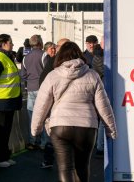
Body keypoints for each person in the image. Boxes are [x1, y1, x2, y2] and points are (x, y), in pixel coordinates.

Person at [31, 41, 117, 182]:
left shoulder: (53, 75)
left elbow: (41, 105)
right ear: (80, 55)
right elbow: (104, 105)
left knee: (65, 168)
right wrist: (111, 129)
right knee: (82, 166)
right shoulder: (92, 75)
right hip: (87, 126)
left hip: (60, 125)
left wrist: (36, 129)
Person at [0, 34, 22, 168]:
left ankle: (4, 155)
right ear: (4, 44)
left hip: (9, 99)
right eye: (11, 43)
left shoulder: (6, 57)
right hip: (1, 99)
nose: (12, 45)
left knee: (6, 130)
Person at [38, 38, 69, 169]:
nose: (56, 48)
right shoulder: (79, 62)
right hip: (60, 105)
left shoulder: (54, 61)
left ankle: (50, 160)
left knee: (54, 134)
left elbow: (42, 82)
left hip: (59, 105)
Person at [20, 35, 46, 150]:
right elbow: (48, 71)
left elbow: (23, 75)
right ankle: (44, 143)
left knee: (32, 116)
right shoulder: (44, 55)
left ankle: (33, 140)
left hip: (31, 89)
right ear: (40, 43)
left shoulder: (25, 58)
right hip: (43, 89)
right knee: (45, 116)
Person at [92, 37, 104, 156]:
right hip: (102, 90)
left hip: (100, 90)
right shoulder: (99, 56)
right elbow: (105, 71)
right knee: (102, 119)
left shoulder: (98, 55)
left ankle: (99, 144)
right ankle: (100, 146)